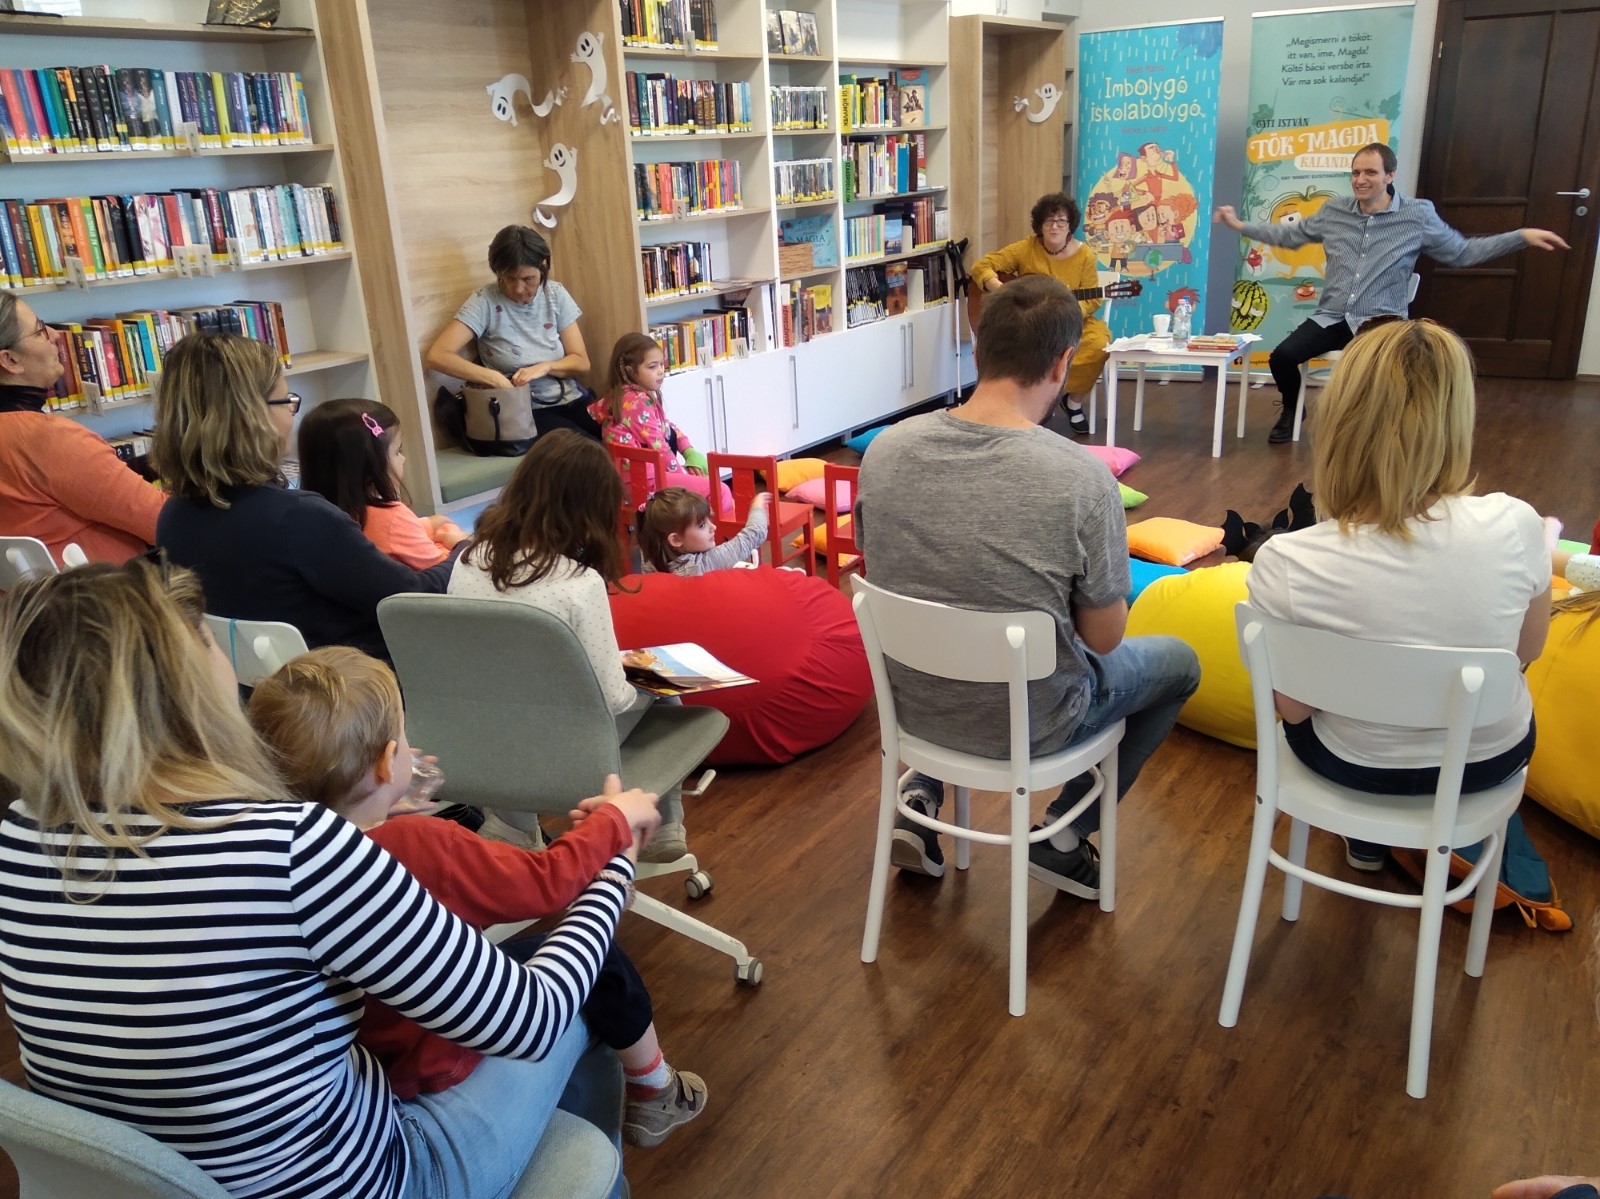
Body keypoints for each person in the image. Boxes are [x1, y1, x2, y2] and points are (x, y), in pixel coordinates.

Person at [0, 557, 653, 1199]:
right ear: (189, 682)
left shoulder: (21, 834)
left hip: (176, 1179)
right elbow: (528, 1019)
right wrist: (613, 861)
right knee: (586, 982)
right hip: (378, 1177)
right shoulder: (292, 848)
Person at [247, 646, 706, 1149]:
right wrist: (614, 823)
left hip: (377, 1070)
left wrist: (382, 806)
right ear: (385, 762)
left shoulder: (281, 854)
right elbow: (547, 882)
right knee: (599, 963)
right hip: (446, 1059)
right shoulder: (423, 844)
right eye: (403, 738)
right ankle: (655, 1088)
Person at [855, 275, 1201, 897]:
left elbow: (893, 573)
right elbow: (1103, 638)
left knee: (951, 607)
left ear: (977, 346)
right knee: (1179, 663)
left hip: (914, 710)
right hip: (1033, 727)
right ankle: (1064, 838)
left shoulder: (883, 452)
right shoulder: (1081, 479)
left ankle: (920, 795)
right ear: (1063, 362)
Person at [1245, 319, 1549, 870]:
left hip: (1355, 766)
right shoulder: (1517, 523)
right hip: (1489, 759)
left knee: (1329, 716)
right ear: (1457, 418)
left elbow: (1293, 708)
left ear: (1339, 422)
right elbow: (1527, 650)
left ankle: (1366, 836)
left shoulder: (1286, 560)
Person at [1214, 142, 1570, 444]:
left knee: (1376, 376)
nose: (1360, 179)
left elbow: (1462, 253)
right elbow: (1290, 236)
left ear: (1389, 175)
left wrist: (1520, 237)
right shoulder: (1334, 211)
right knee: (1282, 357)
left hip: (1381, 320)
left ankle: (1378, 434)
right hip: (1332, 315)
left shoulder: (1417, 215)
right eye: (1355, 172)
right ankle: (1293, 410)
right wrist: (1240, 225)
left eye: (1370, 172)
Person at [449, 429, 691, 861]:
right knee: (663, 684)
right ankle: (661, 825)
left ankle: (512, 825)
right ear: (588, 511)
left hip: (481, 744)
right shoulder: (579, 583)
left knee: (514, 697)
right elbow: (613, 700)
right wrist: (646, 675)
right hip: (565, 754)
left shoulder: (469, 559)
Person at [154, 332, 459, 662]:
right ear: (251, 416)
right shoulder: (299, 520)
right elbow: (414, 599)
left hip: (257, 687)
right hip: (357, 683)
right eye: (286, 401)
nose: (291, 414)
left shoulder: (173, 517)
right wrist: (465, 553)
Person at [0, 290, 165, 565]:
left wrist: (155, 463)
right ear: (10, 361)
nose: (55, 335)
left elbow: (83, 484)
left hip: (37, 590)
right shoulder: (48, 439)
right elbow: (165, 523)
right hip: (114, 586)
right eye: (40, 331)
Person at [425, 224, 601, 440]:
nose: (518, 288)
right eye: (509, 278)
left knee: (621, 438)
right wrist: (494, 378)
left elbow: (581, 361)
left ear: (543, 265)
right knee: (585, 448)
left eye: (528, 279)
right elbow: (437, 356)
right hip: (524, 411)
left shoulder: (555, 294)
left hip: (571, 398)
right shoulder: (484, 301)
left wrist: (546, 367)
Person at [968, 193, 1112, 437]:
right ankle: (1028, 405)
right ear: (1039, 225)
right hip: (1031, 323)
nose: (1054, 227)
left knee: (1098, 344)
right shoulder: (1026, 248)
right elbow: (980, 266)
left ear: (1070, 225)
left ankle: (1072, 402)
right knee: (1027, 347)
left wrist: (1067, 309)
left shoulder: (1085, 255)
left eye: (1061, 221)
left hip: (1073, 322)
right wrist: (1001, 290)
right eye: (1048, 221)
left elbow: (1093, 299)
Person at [297, 397, 468, 569]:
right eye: (397, 451)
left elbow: (389, 536)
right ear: (370, 465)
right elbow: (445, 571)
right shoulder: (391, 517)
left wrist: (426, 525)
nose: (403, 459)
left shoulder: (315, 517)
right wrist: (458, 542)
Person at [639, 485, 771, 576]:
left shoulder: (649, 560)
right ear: (676, 539)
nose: (713, 527)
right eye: (702, 525)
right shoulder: (703, 565)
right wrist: (757, 506)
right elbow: (754, 533)